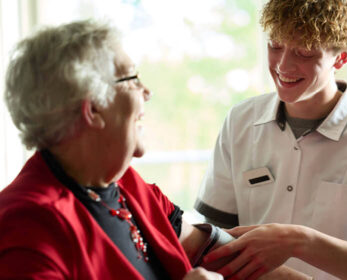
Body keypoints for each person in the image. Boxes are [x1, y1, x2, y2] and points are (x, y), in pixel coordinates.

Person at [0, 20, 312, 280]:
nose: (147, 92)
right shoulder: (28, 225)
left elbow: (225, 255)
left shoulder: (127, 187)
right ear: (93, 109)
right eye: (132, 78)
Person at [195, 0, 347, 279]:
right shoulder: (240, 122)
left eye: (304, 51)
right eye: (275, 46)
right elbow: (214, 243)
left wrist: (298, 241)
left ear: (342, 57)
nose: (283, 65)